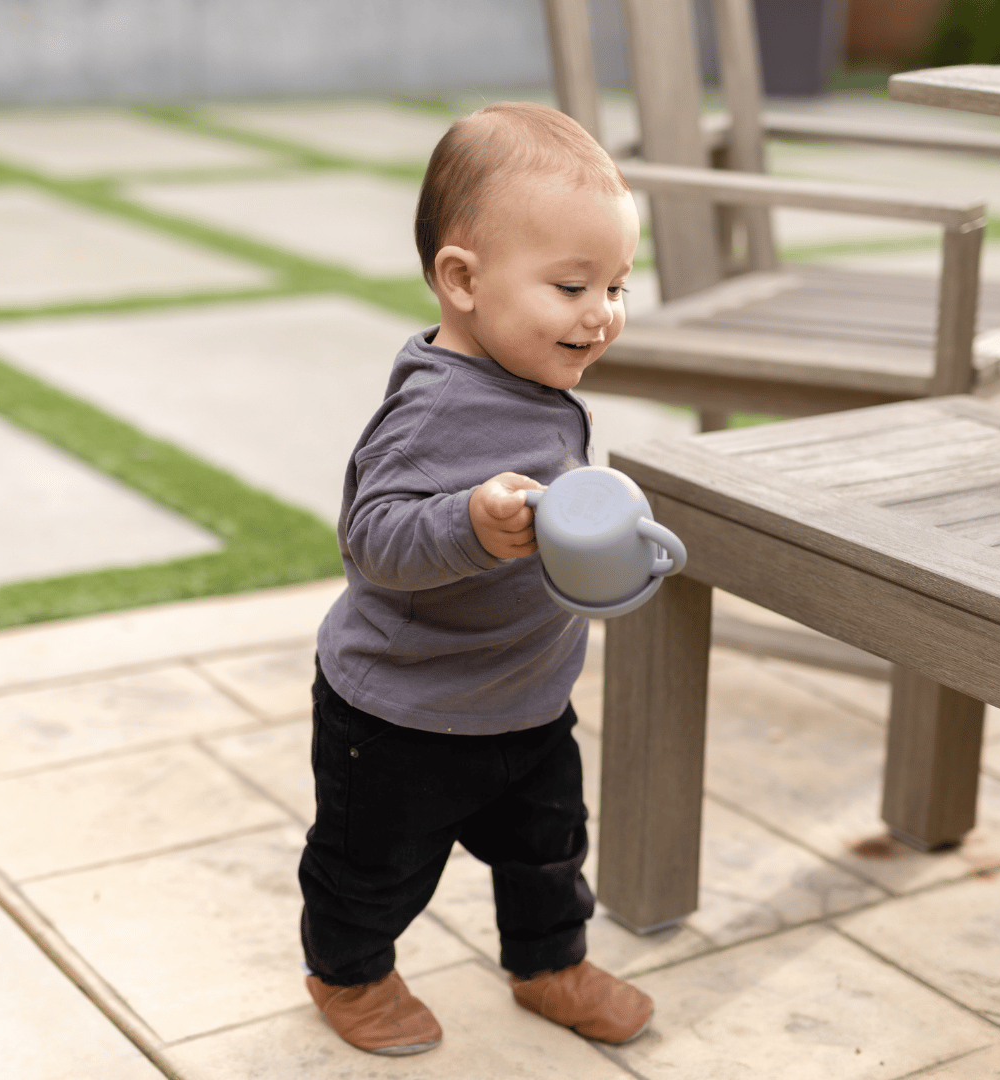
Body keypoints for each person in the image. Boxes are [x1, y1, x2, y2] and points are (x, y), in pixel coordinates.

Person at [298, 100, 653, 1056]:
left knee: (548, 849)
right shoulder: (435, 410)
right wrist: (467, 523)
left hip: (524, 696)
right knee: (371, 864)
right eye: (574, 284)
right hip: (403, 713)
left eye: (618, 283)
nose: (602, 314)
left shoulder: (532, 375)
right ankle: (349, 973)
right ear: (462, 279)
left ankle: (549, 962)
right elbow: (371, 537)